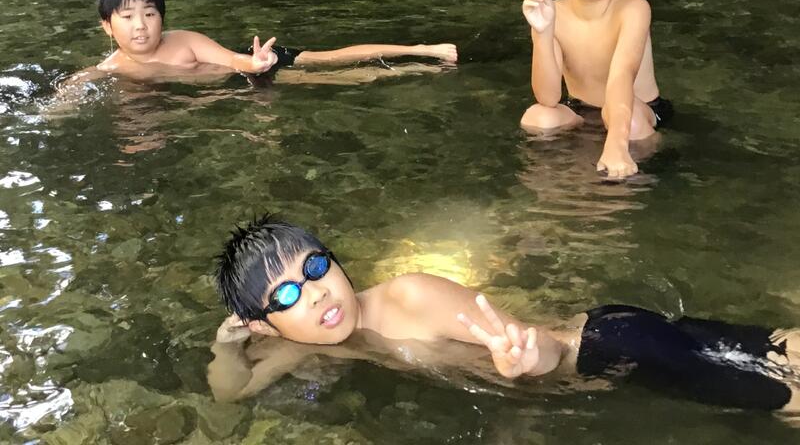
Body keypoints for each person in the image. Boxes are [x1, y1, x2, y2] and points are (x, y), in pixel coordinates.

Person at [210, 215, 800, 411]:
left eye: (314, 268)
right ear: (266, 324)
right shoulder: (308, 339)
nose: (313, 294)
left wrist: (529, 359)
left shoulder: (409, 297)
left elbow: (541, 344)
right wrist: (228, 344)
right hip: (617, 343)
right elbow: (231, 393)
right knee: (779, 348)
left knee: (786, 400)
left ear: (335, 261)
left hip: (611, 348)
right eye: (285, 296)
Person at [68, 0, 457, 84]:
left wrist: (255, 64)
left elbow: (232, 60)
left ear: (162, 19)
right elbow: (80, 82)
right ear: (107, 27)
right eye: (127, 17)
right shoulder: (115, 69)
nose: (140, 25)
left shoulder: (184, 41)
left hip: (257, 62)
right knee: (340, 80)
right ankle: (415, 70)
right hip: (242, 85)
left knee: (328, 61)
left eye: (149, 14)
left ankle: (422, 50)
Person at [515, 0, 672, 179]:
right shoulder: (551, 12)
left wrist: (616, 145)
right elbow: (548, 98)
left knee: (631, 123)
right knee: (537, 118)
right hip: (581, 108)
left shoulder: (633, 8)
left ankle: (630, 181)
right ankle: (559, 193)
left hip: (636, 110)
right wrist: (543, 32)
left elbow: (622, 75)